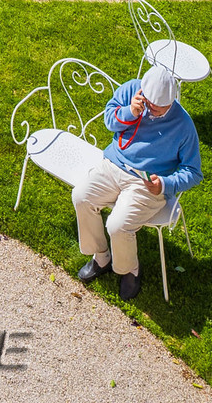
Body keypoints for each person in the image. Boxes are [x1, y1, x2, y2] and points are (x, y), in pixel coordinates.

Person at [74, 63, 202, 302]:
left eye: (159, 108)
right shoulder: (131, 90)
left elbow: (193, 171)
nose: (152, 112)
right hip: (114, 165)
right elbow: (109, 120)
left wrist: (164, 184)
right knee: (81, 196)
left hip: (146, 184)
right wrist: (129, 113)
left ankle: (129, 269)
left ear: (172, 101)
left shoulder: (184, 126)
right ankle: (101, 257)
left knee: (118, 225)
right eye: (150, 105)